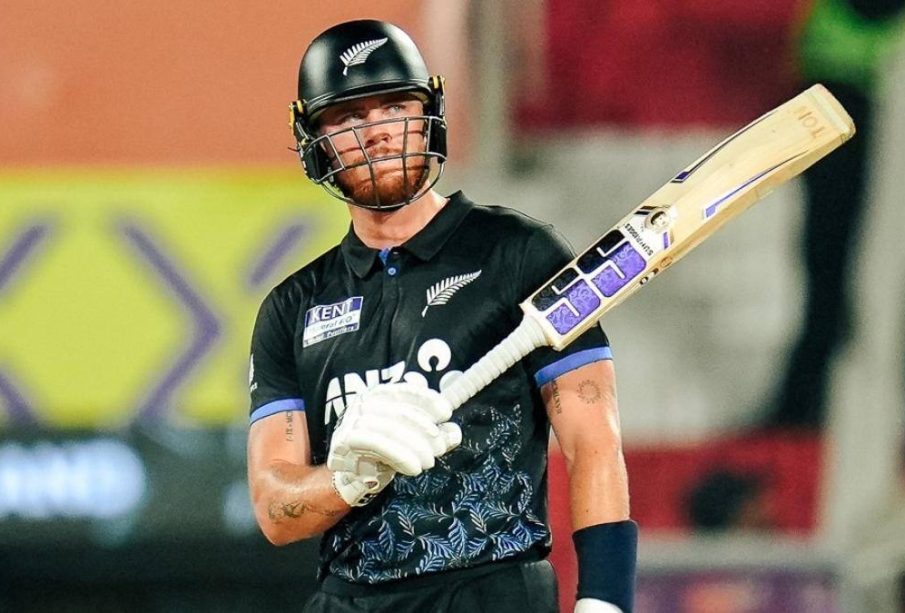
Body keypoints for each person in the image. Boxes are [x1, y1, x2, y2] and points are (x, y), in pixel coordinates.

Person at [246, 20, 635, 613]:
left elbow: (593, 440)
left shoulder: (519, 254)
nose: (377, 132)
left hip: (493, 593)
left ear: (428, 111)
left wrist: (606, 598)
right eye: (348, 117)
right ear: (315, 139)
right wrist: (346, 480)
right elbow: (275, 511)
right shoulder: (292, 307)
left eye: (395, 106)